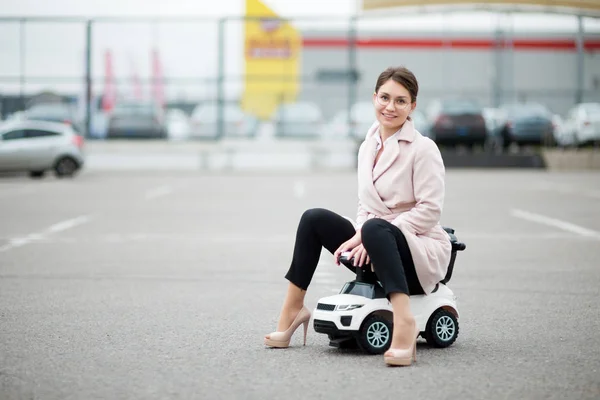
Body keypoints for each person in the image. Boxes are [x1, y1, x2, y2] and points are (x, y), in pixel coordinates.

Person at [264, 66, 452, 367]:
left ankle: (404, 324)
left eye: (401, 101)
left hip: (416, 253)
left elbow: (430, 211)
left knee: (377, 228)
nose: (391, 107)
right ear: (374, 98)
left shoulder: (424, 149)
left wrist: (373, 234)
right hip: (376, 245)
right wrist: (360, 235)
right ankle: (293, 309)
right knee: (313, 218)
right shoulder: (368, 145)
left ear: (412, 106)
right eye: (385, 97)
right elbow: (365, 204)